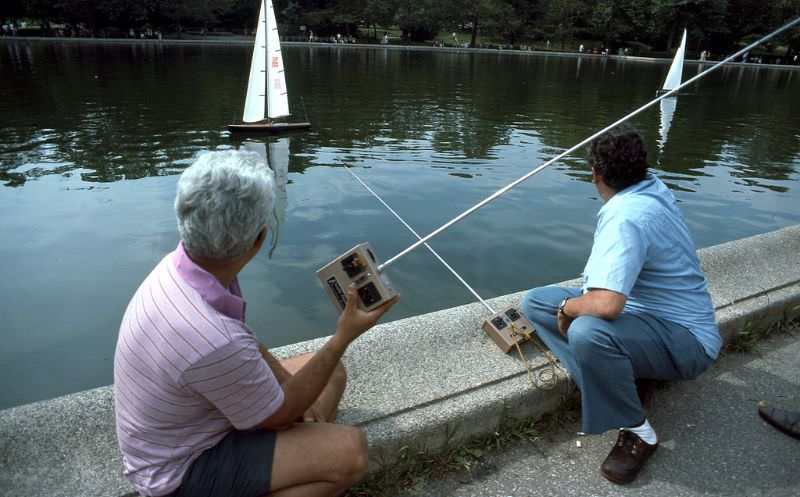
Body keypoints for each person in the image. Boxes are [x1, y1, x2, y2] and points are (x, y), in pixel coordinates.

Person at [114, 150, 398, 497]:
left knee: (330, 374)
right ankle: (300, 455)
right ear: (259, 238)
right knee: (349, 453)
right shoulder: (211, 334)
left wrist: (288, 393)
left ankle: (295, 449)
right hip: (180, 471)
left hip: (196, 420)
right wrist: (343, 336)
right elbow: (232, 353)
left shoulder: (183, 267)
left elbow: (237, 338)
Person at [521, 125, 720, 484]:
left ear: (594, 174)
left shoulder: (625, 215)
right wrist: (565, 304)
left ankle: (636, 429)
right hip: (649, 321)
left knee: (586, 329)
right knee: (535, 302)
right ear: (642, 166)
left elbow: (608, 304)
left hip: (687, 341)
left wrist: (568, 308)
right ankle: (613, 382)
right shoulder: (652, 186)